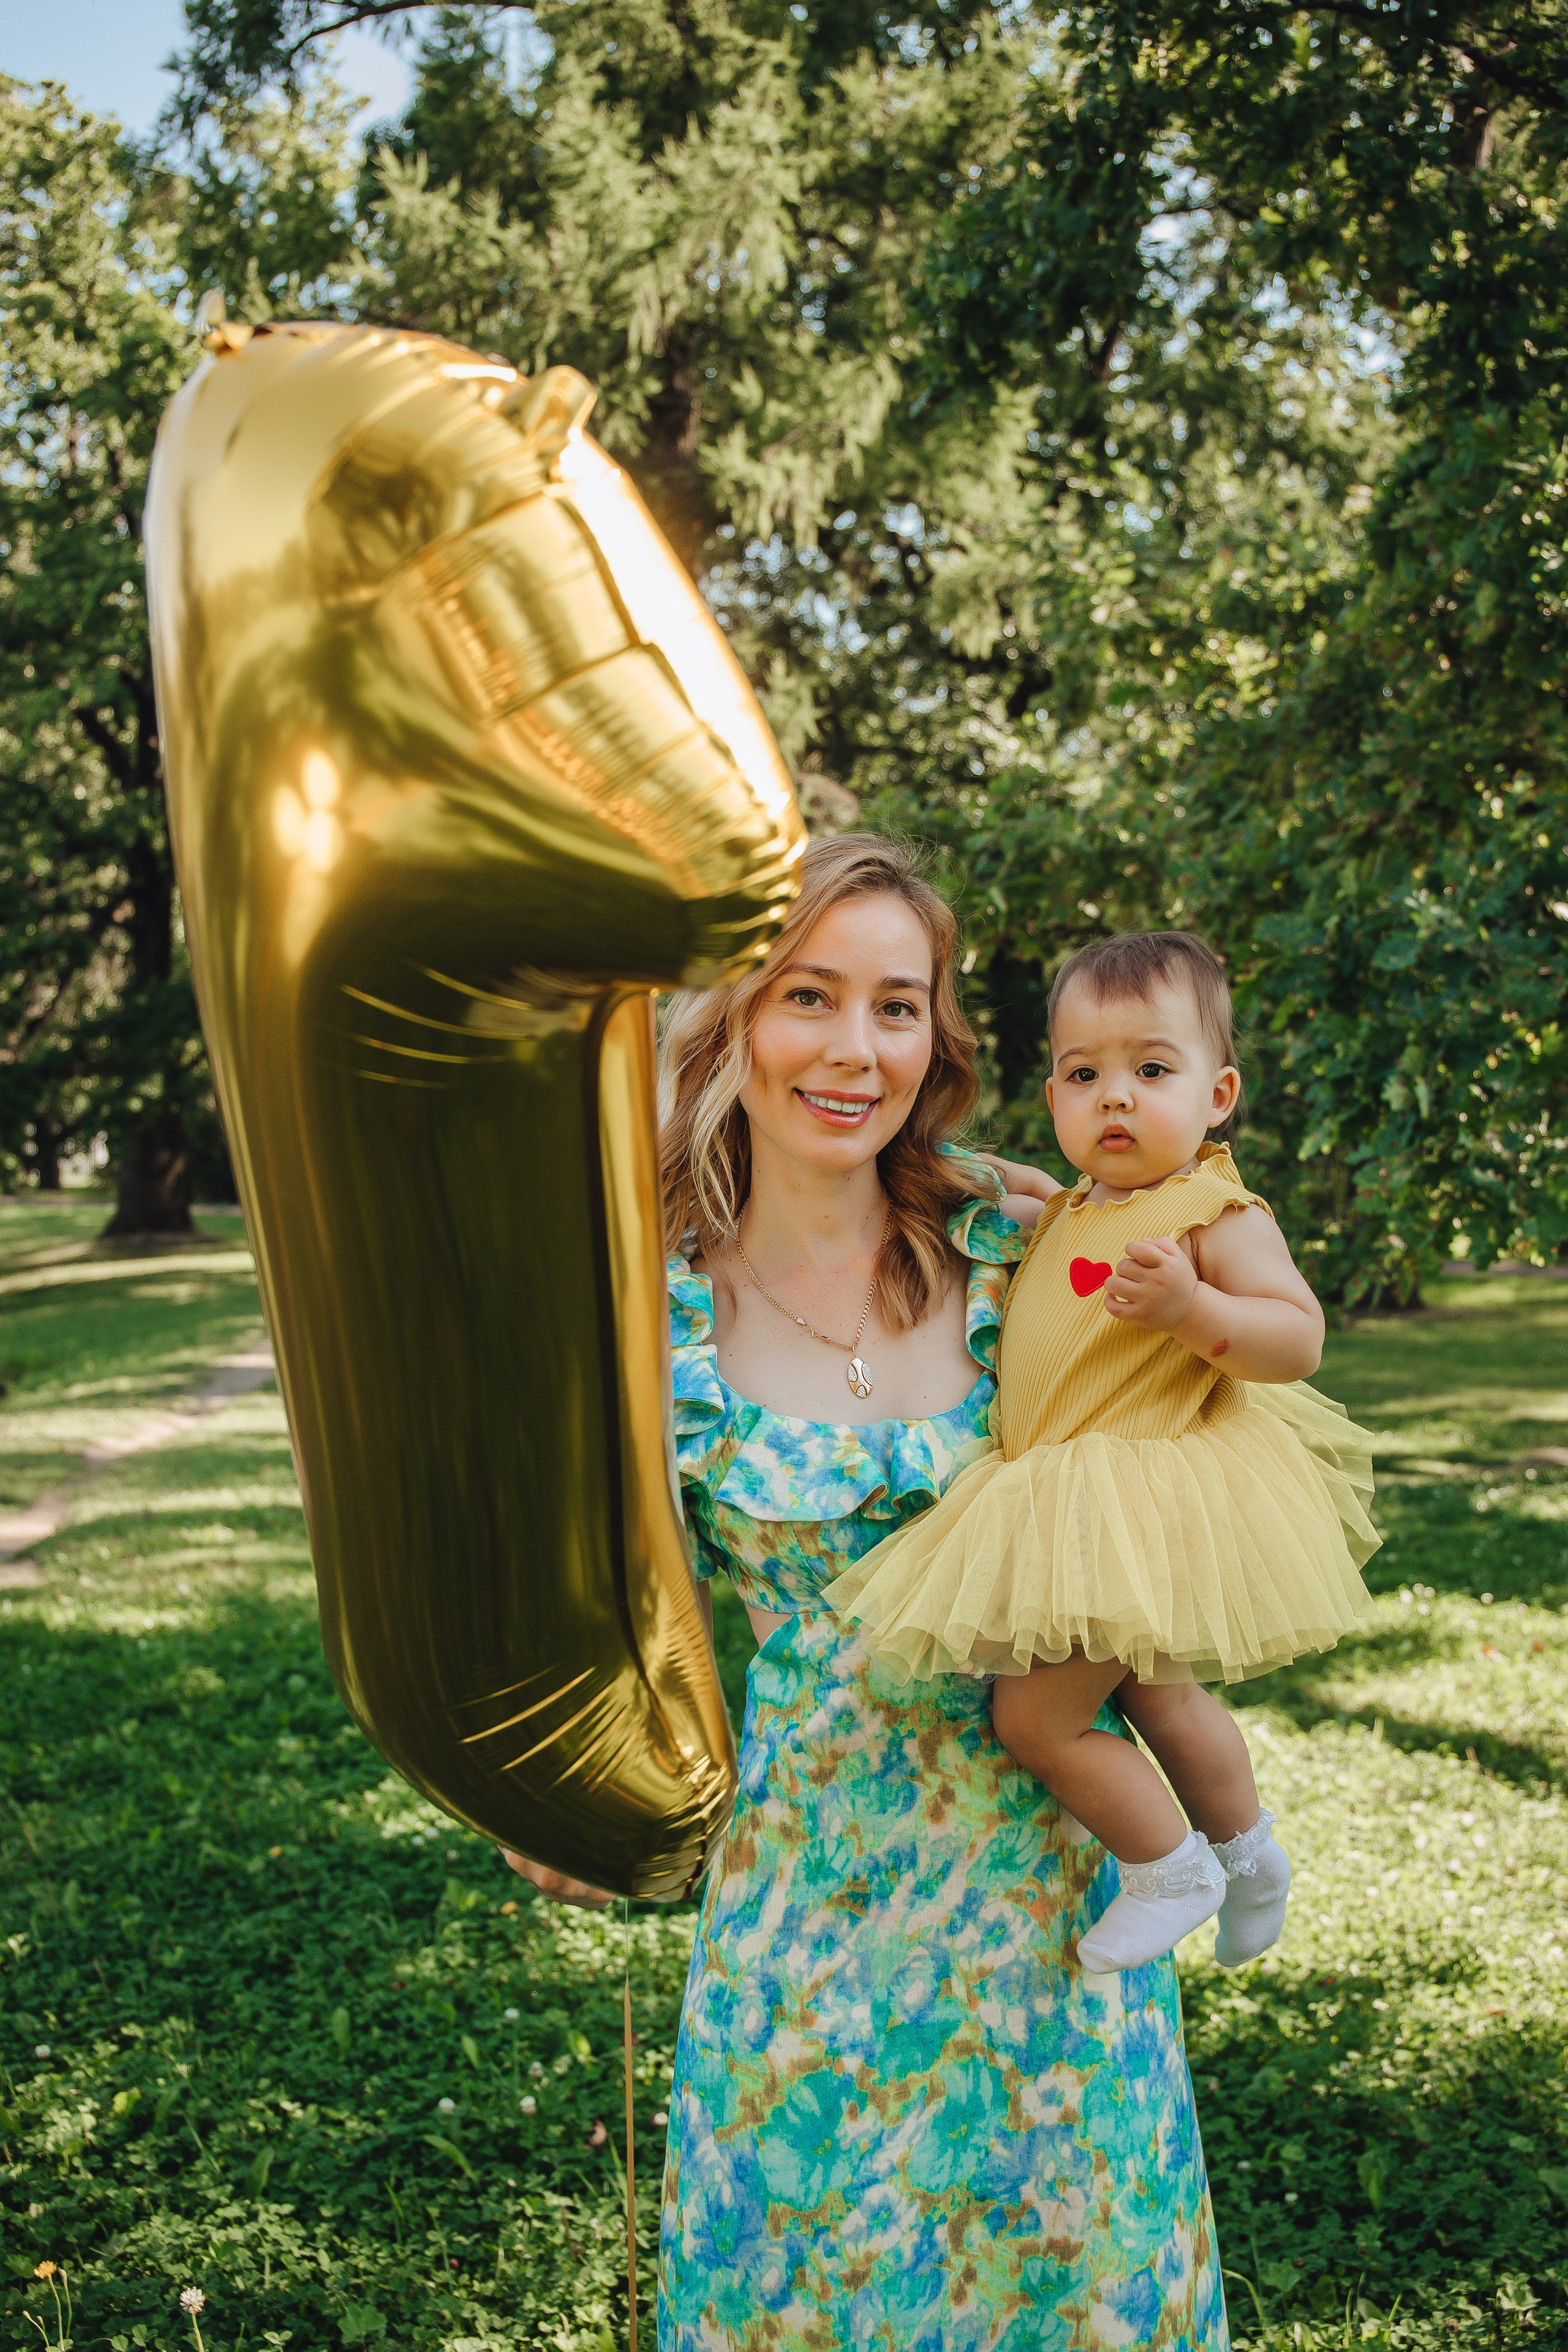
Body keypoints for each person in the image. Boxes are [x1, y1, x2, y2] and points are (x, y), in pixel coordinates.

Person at [516, 847, 1229, 2350]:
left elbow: (1191, 1435)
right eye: (808, 998)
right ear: (731, 1026)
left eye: (896, 1007)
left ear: (937, 1039)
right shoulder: (650, 1323)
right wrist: (571, 1795)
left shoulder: (1023, 1245)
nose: (854, 1050)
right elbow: (636, 1627)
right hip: (797, 1955)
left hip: (1052, 1937)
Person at [827, 930, 1380, 1978]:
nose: (1115, 1098)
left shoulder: (1214, 1210)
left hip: (1137, 1493)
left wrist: (1193, 1308)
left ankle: (1170, 1866)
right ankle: (1251, 1852)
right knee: (1156, 1693)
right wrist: (917, 1156)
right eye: (1086, 1075)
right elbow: (984, 1177)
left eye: (1152, 1071)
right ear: (1054, 1100)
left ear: (1219, 1094)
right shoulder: (1068, 1208)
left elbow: (1296, 1337)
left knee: (1034, 1720)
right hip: (1063, 1501)